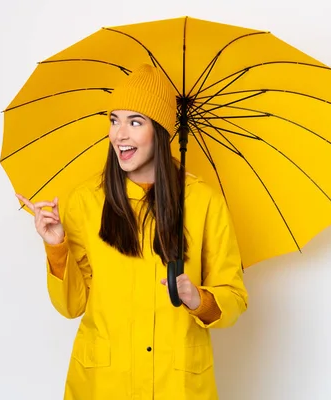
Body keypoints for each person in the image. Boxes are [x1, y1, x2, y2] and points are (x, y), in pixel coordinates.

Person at [16, 64, 248, 400]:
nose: (119, 134)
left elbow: (235, 296)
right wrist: (57, 248)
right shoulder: (86, 201)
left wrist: (198, 300)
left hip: (177, 385)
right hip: (105, 385)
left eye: (135, 122)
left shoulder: (203, 202)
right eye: (114, 120)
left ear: (160, 131)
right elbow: (71, 306)